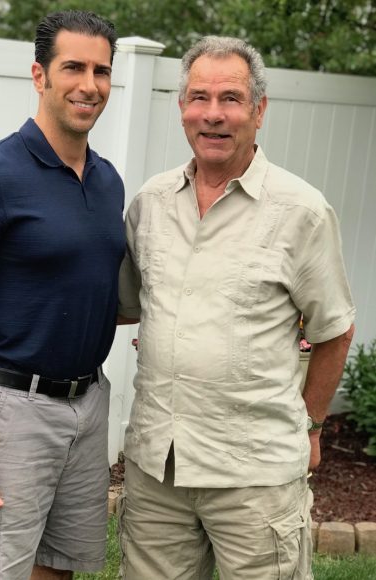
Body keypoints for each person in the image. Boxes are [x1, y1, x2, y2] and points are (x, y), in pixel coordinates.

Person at [117, 35, 355, 580]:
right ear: (181, 109)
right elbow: (128, 307)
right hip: (159, 470)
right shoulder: (150, 204)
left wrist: (312, 425)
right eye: (199, 98)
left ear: (259, 110)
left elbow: (334, 331)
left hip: (255, 476)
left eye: (231, 99)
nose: (213, 115)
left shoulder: (302, 212)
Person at [0, 10, 125, 580]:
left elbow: (102, 288)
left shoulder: (107, 181)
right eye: (73, 67)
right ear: (39, 75)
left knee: (58, 568)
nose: (89, 84)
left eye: (102, 71)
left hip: (88, 405)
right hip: (10, 409)